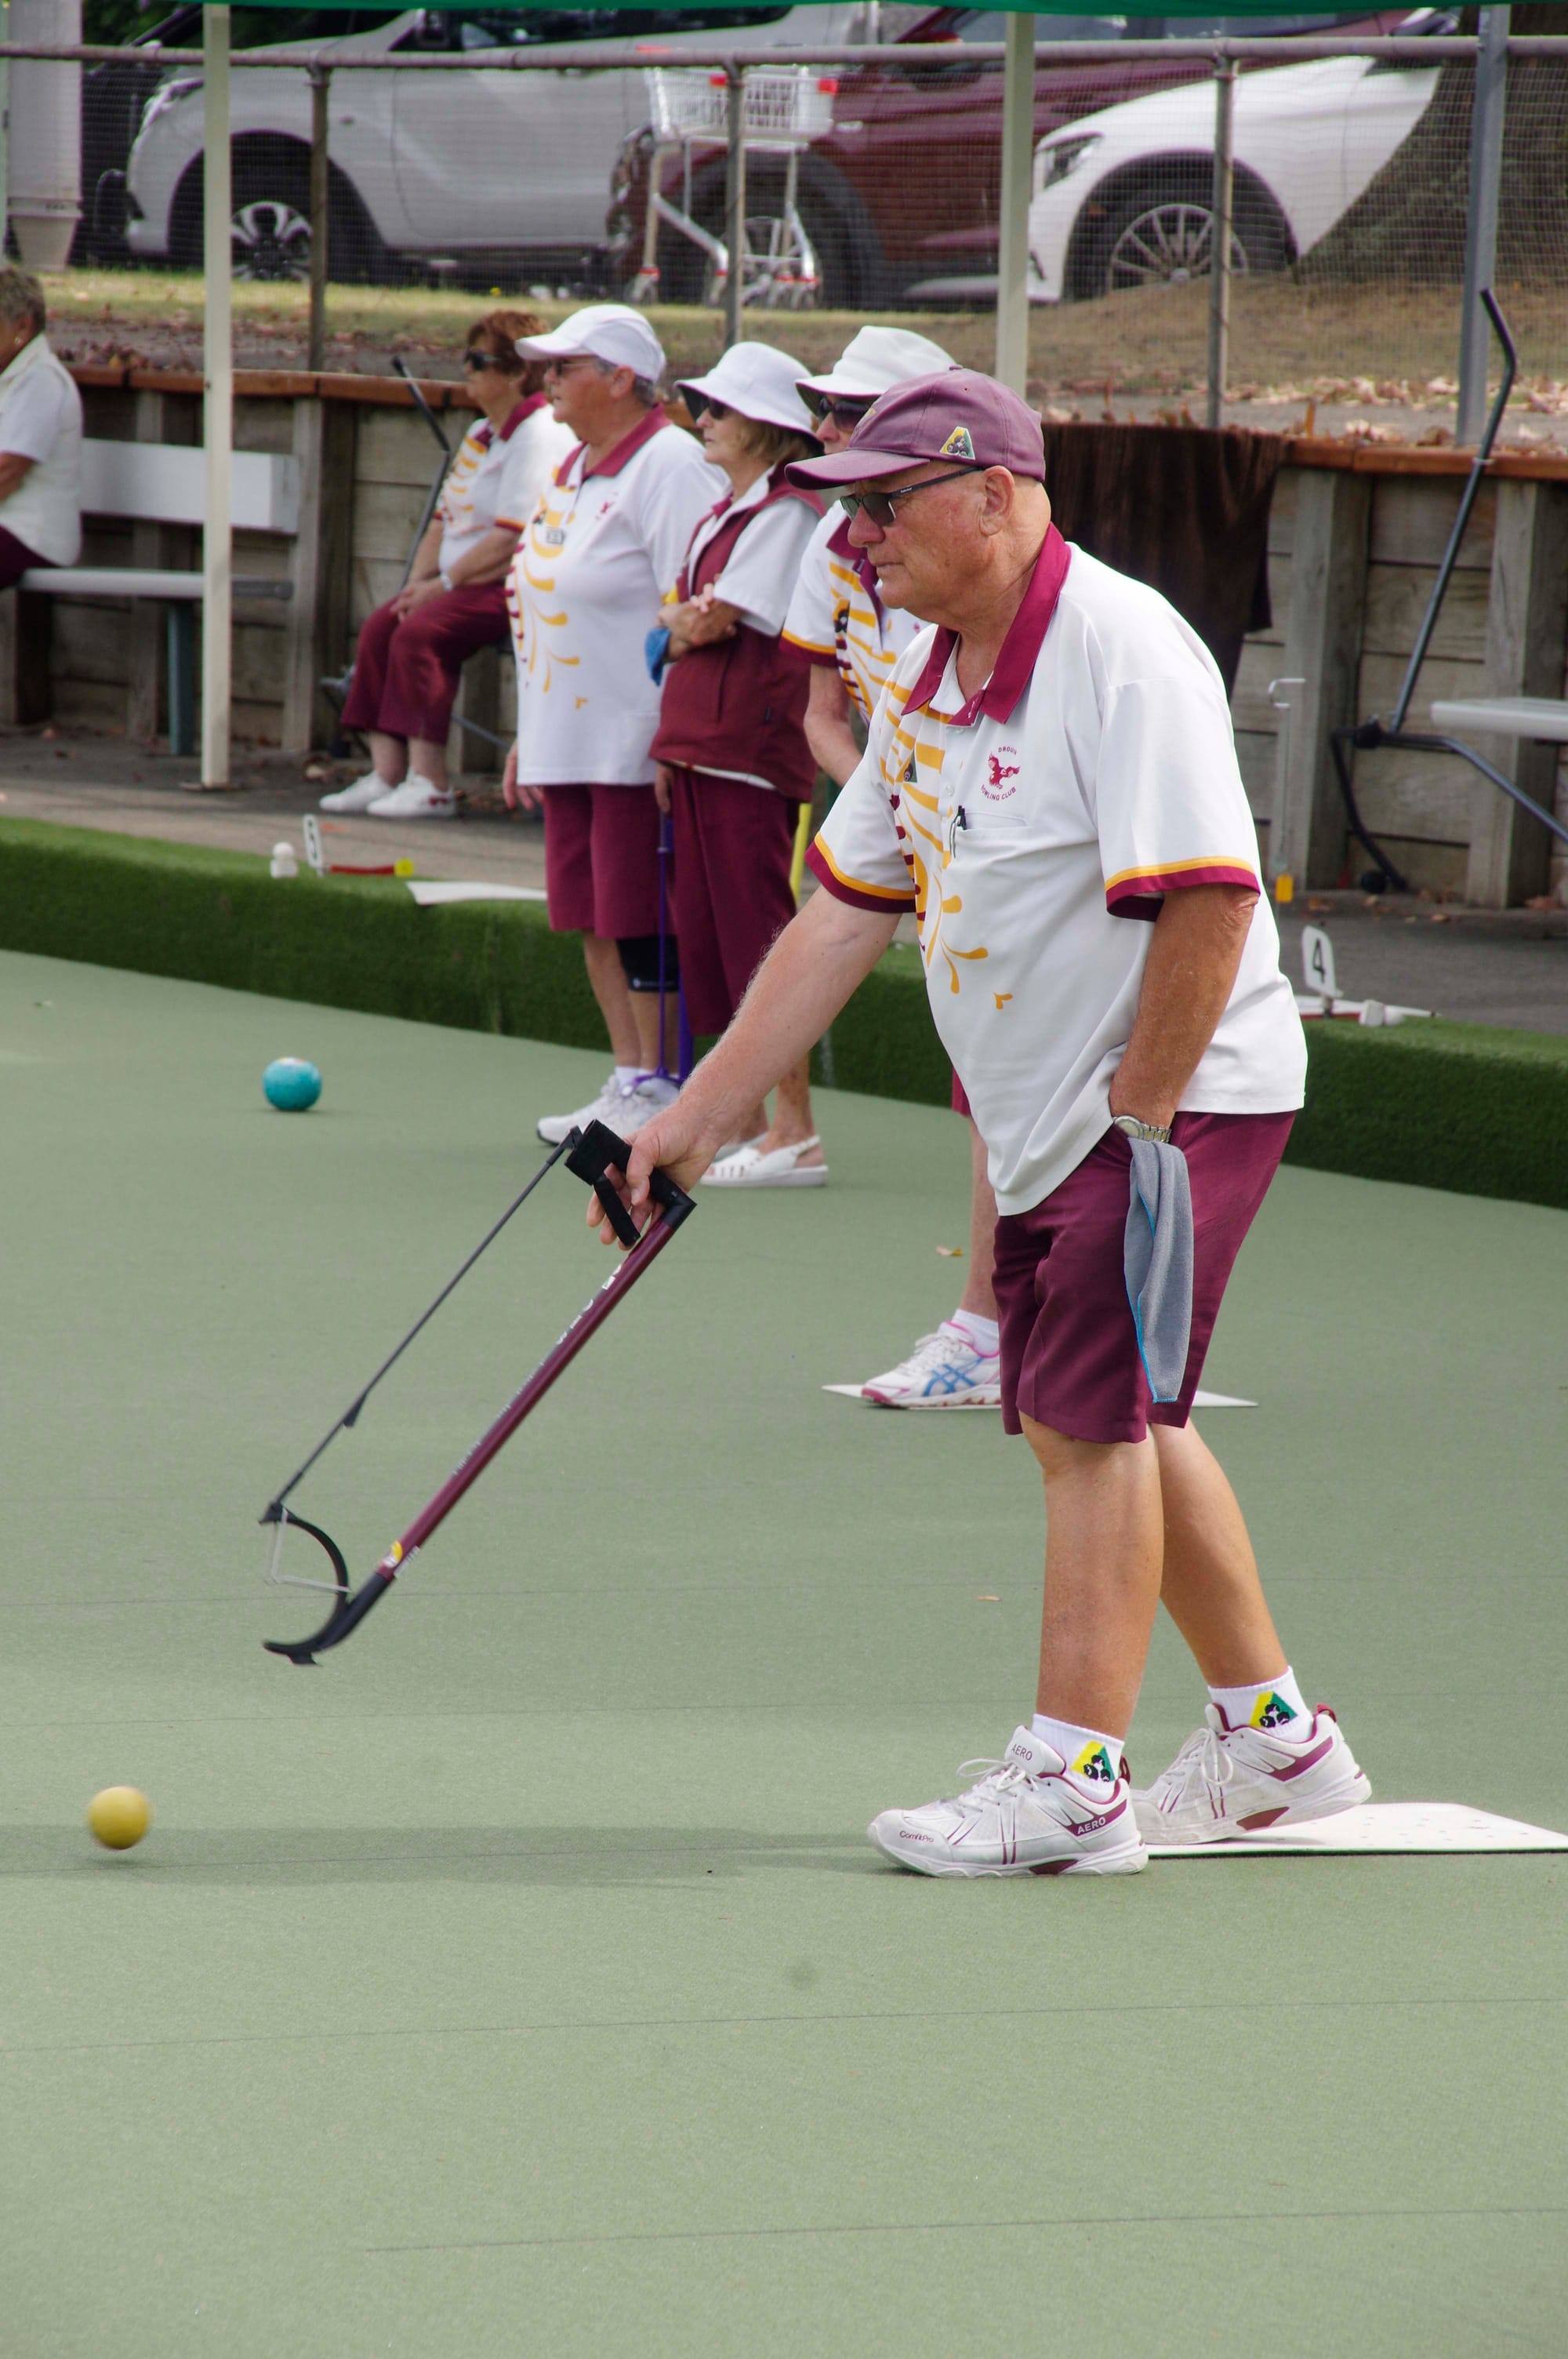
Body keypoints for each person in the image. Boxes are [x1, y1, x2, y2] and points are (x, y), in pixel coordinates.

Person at [596, 371, 1369, 1877]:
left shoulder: (1122, 650)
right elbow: (840, 915)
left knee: (1081, 1424)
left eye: (885, 506)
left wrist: (1131, 1134)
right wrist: (693, 1112)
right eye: (849, 510)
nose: (858, 539)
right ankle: (1279, 1743)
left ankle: (1072, 1783)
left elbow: (1210, 902)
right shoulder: (932, 671)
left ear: (996, 498)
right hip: (1053, 1119)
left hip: (1170, 1099)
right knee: (1128, 1409)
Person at [783, 327, 1001, 1401]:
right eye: (820, 408)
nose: (825, 429)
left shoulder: (1066, 626)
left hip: (979, 850)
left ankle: (993, 1322)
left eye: (847, 411)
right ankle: (995, 1322)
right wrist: (888, 794)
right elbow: (834, 715)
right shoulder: (849, 562)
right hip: (915, 803)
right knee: (988, 1084)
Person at [502, 305, 722, 1147]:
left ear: (622, 378)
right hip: (566, 737)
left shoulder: (669, 464)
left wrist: (673, 735)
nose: (547, 381)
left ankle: (664, 1084)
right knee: (590, 914)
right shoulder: (572, 464)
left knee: (637, 914)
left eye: (566, 366)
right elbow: (545, 597)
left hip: (632, 740)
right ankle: (630, 1074)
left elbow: (694, 605)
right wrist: (531, 726)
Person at [650, 343, 825, 1186]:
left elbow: (710, 622)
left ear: (765, 427)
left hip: (748, 754)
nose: (704, 418)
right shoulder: (726, 510)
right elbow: (684, 616)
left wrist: (679, 625)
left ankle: (795, 1131)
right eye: (702, 404)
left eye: (719, 407)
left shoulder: (786, 514)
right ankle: (750, 1122)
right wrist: (681, 624)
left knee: (760, 935)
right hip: (696, 748)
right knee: (709, 937)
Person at [325, 311, 571, 822]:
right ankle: (386, 774)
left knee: (420, 633)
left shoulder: (538, 434)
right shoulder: (482, 432)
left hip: (510, 584)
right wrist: (415, 587)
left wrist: (441, 587)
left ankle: (430, 781)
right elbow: (441, 520)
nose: (466, 369)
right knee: (382, 626)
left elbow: (510, 539)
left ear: (515, 373)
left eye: (478, 361)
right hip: (457, 583)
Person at [0, 265, 82, 589]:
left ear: (22, 327)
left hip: (32, 535)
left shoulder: (41, 380)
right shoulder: (12, 377)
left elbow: (7, 473)